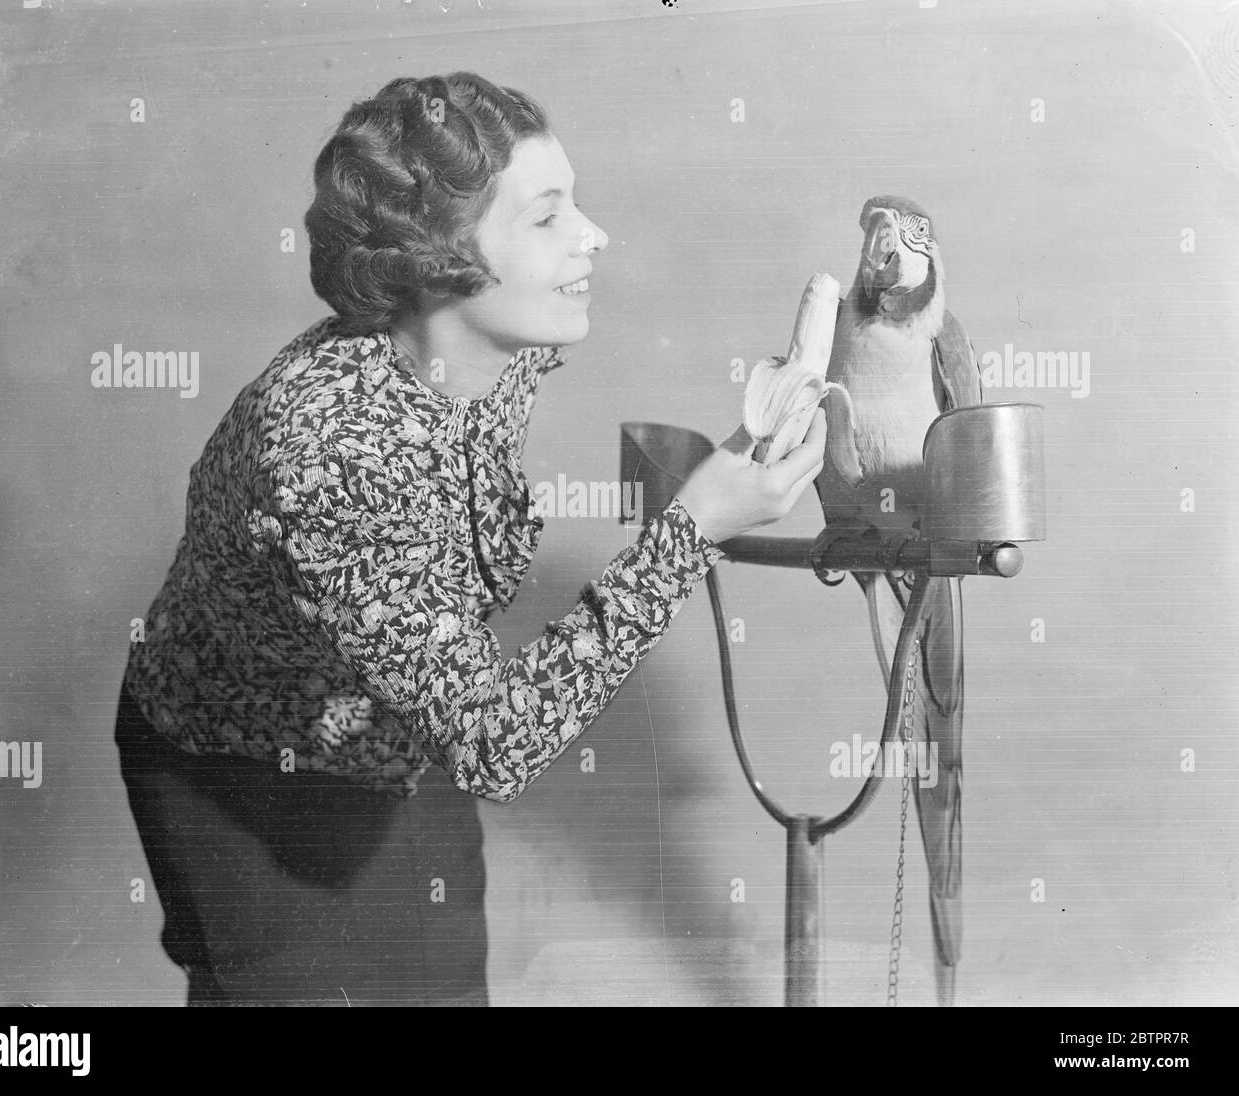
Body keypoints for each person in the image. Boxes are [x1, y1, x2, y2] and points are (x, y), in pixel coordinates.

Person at [113, 71, 826, 1007]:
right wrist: (690, 532)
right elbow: (497, 743)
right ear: (441, 262)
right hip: (247, 775)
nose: (593, 235)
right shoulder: (335, 454)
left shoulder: (481, 348)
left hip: (398, 737)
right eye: (546, 218)